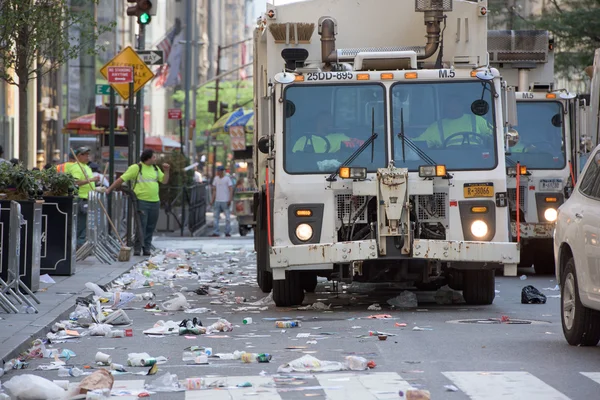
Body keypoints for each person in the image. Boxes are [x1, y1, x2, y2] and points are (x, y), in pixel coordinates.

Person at [107, 149, 170, 256]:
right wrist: (110, 189)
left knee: (151, 226)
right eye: (154, 157)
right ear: (148, 158)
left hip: (155, 201)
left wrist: (167, 171)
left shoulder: (155, 168)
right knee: (141, 225)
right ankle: (137, 248)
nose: (156, 159)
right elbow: (121, 179)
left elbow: (164, 181)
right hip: (141, 201)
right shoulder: (136, 168)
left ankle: (147, 248)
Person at [413, 95, 492, 148]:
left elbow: (495, 135)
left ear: (462, 106)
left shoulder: (476, 119)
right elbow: (419, 142)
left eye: (456, 104)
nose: (452, 108)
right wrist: (406, 139)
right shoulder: (437, 126)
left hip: (478, 162)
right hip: (449, 164)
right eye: (450, 105)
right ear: (445, 107)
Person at [67, 147, 99, 249]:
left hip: (88, 198)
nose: (87, 157)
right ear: (79, 156)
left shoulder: (86, 167)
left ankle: (80, 243)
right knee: (81, 224)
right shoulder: (77, 167)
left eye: (88, 155)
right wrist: (91, 179)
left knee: (87, 223)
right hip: (81, 199)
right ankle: (77, 244)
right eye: (85, 155)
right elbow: (75, 182)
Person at [292, 112, 360, 153]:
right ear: (318, 122)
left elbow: (358, 145)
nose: (330, 123)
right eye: (325, 120)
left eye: (331, 120)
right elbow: (295, 159)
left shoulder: (340, 137)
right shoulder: (305, 140)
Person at [210, 165, 233, 237]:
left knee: (227, 218)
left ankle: (227, 231)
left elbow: (231, 189)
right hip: (217, 200)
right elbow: (214, 190)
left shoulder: (227, 179)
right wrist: (212, 200)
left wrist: (229, 199)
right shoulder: (216, 179)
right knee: (216, 217)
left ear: (222, 171)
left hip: (225, 200)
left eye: (219, 171)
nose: (218, 172)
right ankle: (216, 232)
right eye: (218, 171)